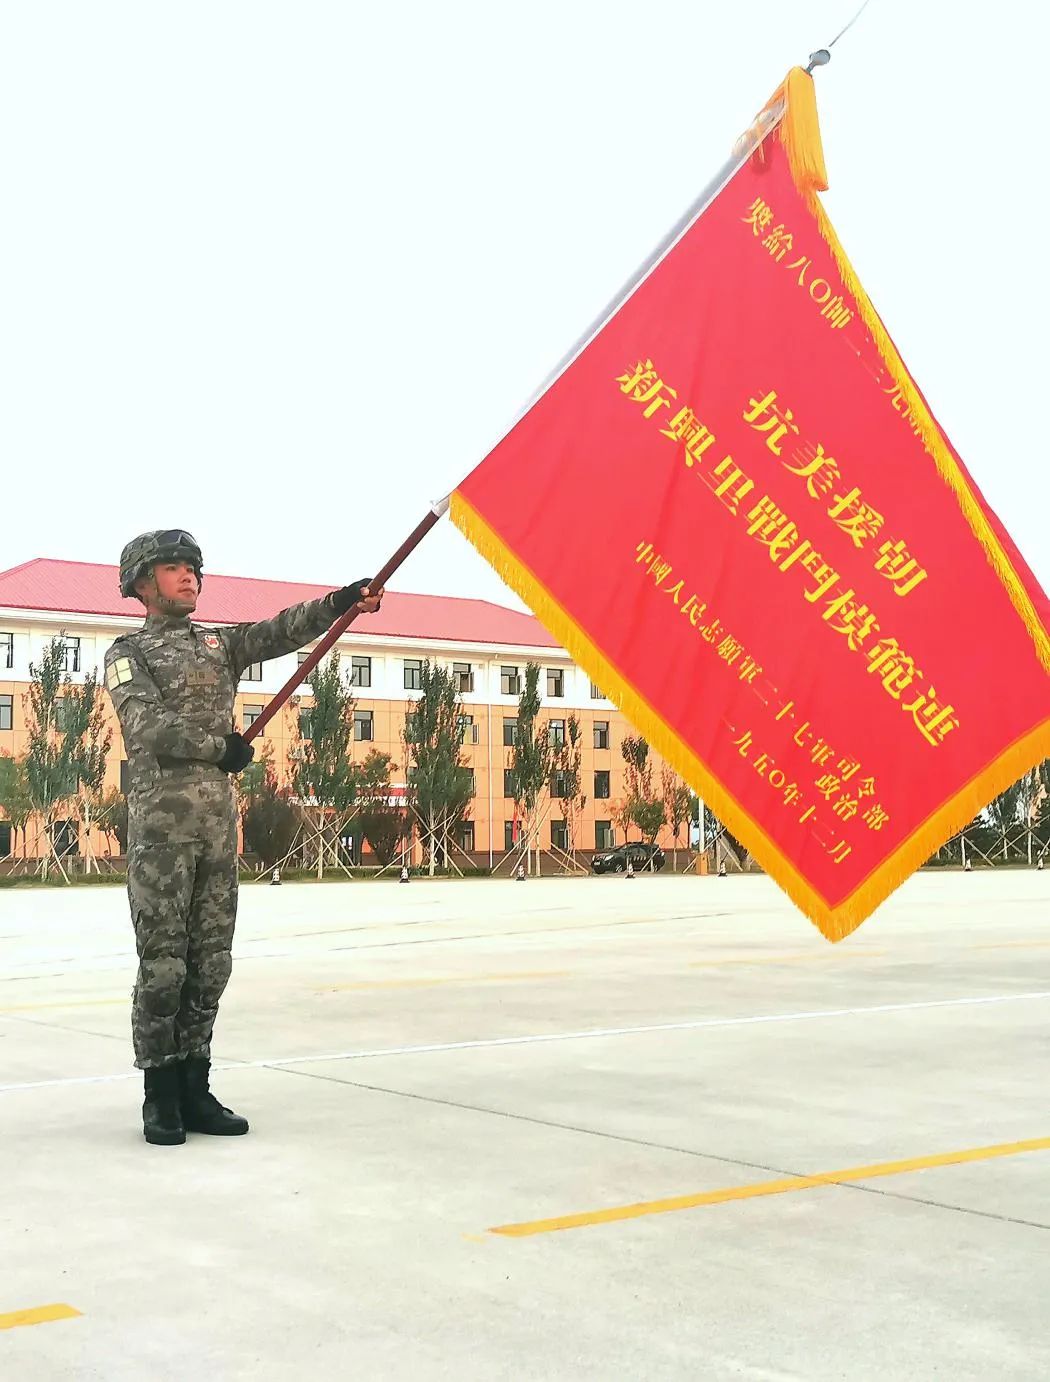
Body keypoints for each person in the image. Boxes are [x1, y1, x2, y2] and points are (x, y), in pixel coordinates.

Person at [104, 529, 383, 1146]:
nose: (189, 579)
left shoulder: (219, 644)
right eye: (174, 569)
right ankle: (160, 1093)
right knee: (163, 967)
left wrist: (340, 602)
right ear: (142, 584)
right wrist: (219, 748)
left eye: (194, 570)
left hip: (215, 830)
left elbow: (280, 631)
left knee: (211, 963)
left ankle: (197, 1085)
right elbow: (146, 726)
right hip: (161, 834)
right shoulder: (128, 652)